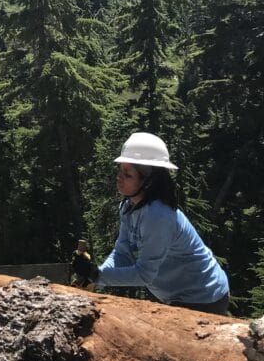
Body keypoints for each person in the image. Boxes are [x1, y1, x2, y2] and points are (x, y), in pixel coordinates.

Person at [82, 132, 230, 313]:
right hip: (181, 295)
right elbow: (122, 253)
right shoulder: (129, 207)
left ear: (148, 181)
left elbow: (145, 275)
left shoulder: (158, 216)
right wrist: (95, 276)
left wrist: (97, 276)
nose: (119, 177)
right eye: (120, 170)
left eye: (127, 174)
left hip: (204, 298)